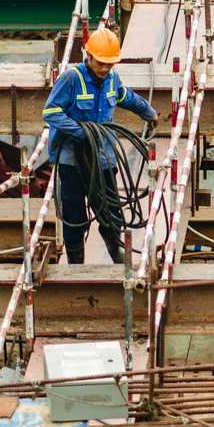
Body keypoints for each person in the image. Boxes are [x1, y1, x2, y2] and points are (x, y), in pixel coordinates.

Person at [41, 26, 157, 264]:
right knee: (74, 213)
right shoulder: (72, 78)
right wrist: (82, 131)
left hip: (103, 158)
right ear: (89, 56)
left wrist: (148, 112)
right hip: (72, 161)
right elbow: (50, 112)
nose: (105, 68)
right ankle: (76, 262)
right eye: (101, 63)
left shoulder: (112, 78)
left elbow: (126, 97)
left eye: (109, 63)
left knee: (110, 209)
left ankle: (116, 251)